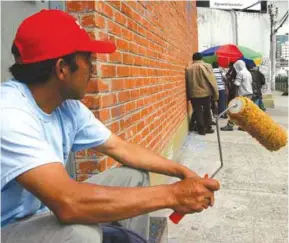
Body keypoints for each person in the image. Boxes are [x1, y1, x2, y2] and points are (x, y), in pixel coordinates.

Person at [1, 10, 220, 243]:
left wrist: (182, 172)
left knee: (133, 176)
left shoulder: (66, 107)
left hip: (40, 211)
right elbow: (68, 203)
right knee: (80, 234)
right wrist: (174, 195)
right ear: (62, 68)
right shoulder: (10, 114)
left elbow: (120, 148)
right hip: (7, 227)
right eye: (88, 59)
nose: (93, 69)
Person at [185, 52, 219, 135]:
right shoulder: (207, 66)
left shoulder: (189, 69)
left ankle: (201, 130)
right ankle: (208, 128)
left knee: (198, 111)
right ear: (201, 58)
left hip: (194, 94)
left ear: (193, 59)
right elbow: (212, 80)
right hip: (206, 93)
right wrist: (215, 93)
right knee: (207, 110)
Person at [221, 60, 253, 131]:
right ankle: (243, 126)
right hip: (249, 94)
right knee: (245, 112)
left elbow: (236, 85)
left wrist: (235, 96)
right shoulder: (248, 73)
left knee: (234, 110)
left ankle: (230, 125)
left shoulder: (240, 73)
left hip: (242, 94)